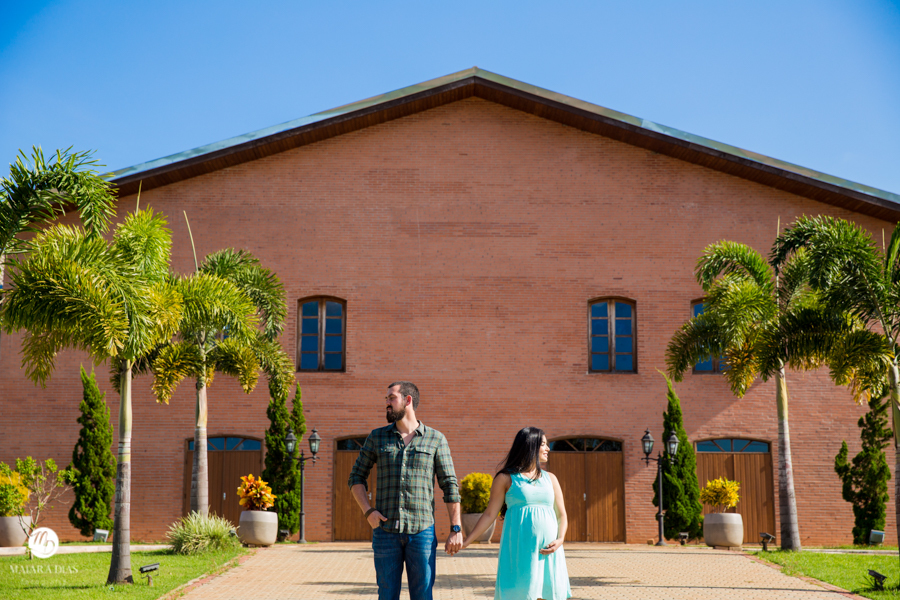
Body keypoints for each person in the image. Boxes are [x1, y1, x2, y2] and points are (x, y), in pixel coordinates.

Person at [349, 381, 463, 600]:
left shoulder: (436, 439)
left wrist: (455, 528)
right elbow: (356, 477)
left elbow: (450, 485)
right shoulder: (377, 437)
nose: (387, 404)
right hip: (385, 532)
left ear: (407, 400)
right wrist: (367, 511)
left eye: (391, 398)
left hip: (422, 533)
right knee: (387, 595)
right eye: (386, 400)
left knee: (422, 596)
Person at [461, 427, 571, 600]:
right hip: (520, 551)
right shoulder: (505, 478)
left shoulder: (551, 478)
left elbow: (562, 515)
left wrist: (561, 539)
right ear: (530, 446)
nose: (548, 448)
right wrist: (467, 541)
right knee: (520, 594)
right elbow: (490, 514)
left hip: (550, 550)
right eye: (543, 444)